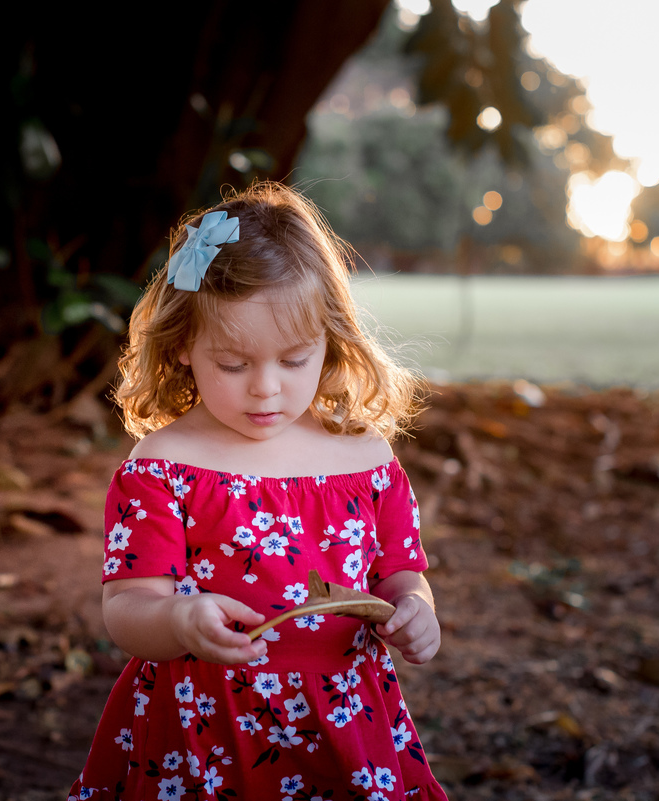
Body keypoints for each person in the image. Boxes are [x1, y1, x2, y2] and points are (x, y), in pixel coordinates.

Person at [69, 182, 447, 801]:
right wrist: (179, 621)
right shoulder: (163, 468)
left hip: (341, 723)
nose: (265, 389)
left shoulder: (365, 460)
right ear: (184, 346)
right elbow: (127, 607)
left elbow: (401, 575)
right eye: (234, 364)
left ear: (330, 345)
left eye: (294, 360)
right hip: (202, 734)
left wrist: (416, 610)